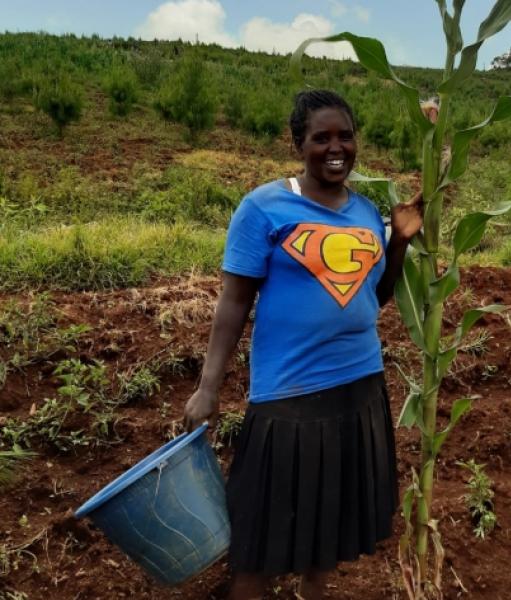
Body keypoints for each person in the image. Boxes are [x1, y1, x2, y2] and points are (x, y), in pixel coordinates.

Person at [183, 89, 423, 600]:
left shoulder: (364, 212)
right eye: (321, 138)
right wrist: (209, 387)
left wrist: (397, 242)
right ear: (298, 143)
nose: (336, 148)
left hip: (359, 388)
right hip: (287, 395)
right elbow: (233, 304)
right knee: (258, 541)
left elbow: (372, 297)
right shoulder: (264, 207)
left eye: (346, 137)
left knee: (329, 528)